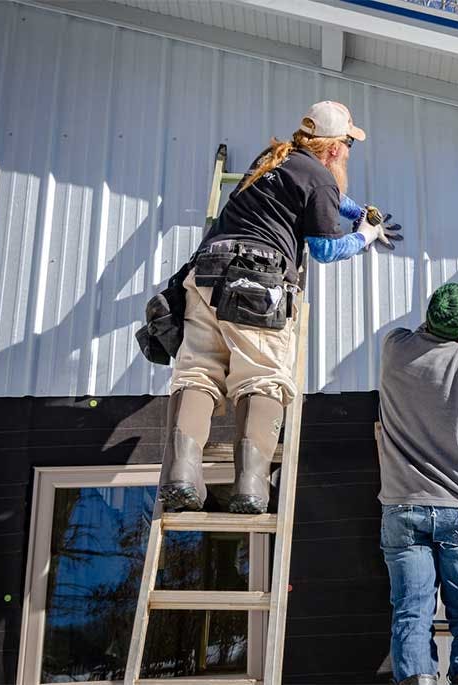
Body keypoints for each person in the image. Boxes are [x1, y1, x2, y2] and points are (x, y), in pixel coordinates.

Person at [158, 101, 403, 515]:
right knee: (262, 377)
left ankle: (181, 475)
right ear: (332, 150)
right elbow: (325, 249)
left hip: (206, 272)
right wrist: (364, 234)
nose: (348, 153)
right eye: (347, 145)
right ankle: (251, 487)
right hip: (257, 282)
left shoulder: (274, 159)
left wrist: (358, 210)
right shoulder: (321, 179)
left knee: (198, 372)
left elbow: (323, 194)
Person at [377, 281, 458, 685]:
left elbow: (423, 332)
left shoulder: (394, 348)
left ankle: (419, 678)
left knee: (411, 610)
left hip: (403, 505)